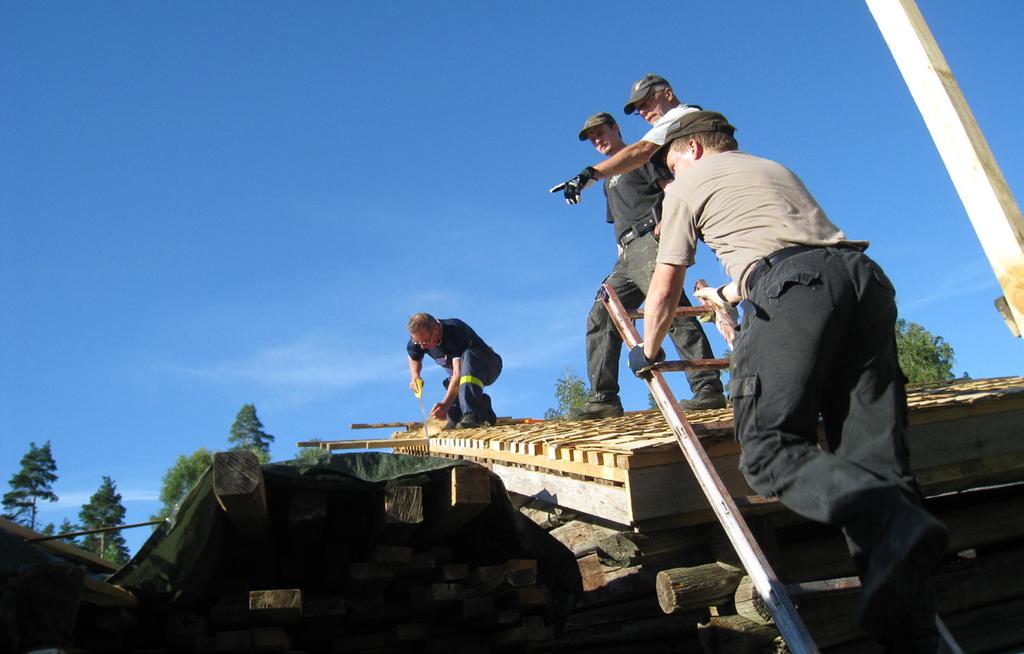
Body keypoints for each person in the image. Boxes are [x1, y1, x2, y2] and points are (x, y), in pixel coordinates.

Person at [628, 110, 949, 651]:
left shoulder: (688, 185)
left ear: (695, 150)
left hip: (794, 286)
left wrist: (648, 350)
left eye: (671, 162)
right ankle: (909, 630)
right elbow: (785, 254)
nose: (668, 174)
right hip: (861, 282)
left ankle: (894, 523)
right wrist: (727, 296)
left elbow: (665, 285)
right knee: (875, 462)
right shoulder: (772, 169)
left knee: (768, 449)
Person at [569, 111, 725, 419]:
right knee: (600, 314)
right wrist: (620, 257)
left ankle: (707, 388)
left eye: (601, 132)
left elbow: (671, 189)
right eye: (592, 138)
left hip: (649, 239)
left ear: (616, 128)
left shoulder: (639, 158)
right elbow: (618, 222)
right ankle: (604, 398)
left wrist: (668, 223)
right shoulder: (607, 181)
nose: (597, 140)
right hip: (625, 253)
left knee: (672, 309)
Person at [554, 74, 701, 205]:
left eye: (646, 103)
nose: (643, 112)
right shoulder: (667, 134)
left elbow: (641, 150)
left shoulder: (681, 117)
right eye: (639, 110)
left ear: (668, 94)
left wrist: (590, 174)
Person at [406, 313, 502, 429]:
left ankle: (473, 415)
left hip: (489, 365)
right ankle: (484, 411)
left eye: (425, 341)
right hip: (462, 376)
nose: (421, 346)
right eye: (417, 342)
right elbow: (414, 357)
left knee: (468, 356)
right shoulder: (420, 338)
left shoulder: (455, 331)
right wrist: (415, 375)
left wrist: (446, 403)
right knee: (453, 420)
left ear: (436, 329)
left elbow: (458, 373)